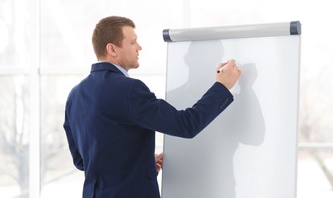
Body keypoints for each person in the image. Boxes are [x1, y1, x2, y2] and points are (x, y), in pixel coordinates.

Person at [63, 16, 241, 198]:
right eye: (133, 42)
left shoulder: (75, 95)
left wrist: (141, 165)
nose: (139, 47)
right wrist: (222, 86)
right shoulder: (129, 90)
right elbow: (186, 125)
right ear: (112, 49)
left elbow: (82, 161)